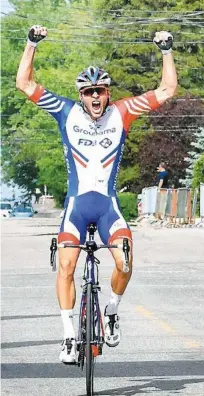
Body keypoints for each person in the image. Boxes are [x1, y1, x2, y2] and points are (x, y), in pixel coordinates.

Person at [16, 25, 177, 363]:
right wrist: (31, 44)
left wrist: (166, 50)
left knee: (125, 260)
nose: (94, 97)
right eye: (88, 91)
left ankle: (113, 310)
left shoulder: (123, 112)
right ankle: (69, 336)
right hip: (76, 208)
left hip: (107, 208)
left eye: (100, 91)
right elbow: (25, 84)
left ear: (107, 93)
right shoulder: (65, 112)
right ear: (81, 94)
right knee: (67, 265)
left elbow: (167, 89)